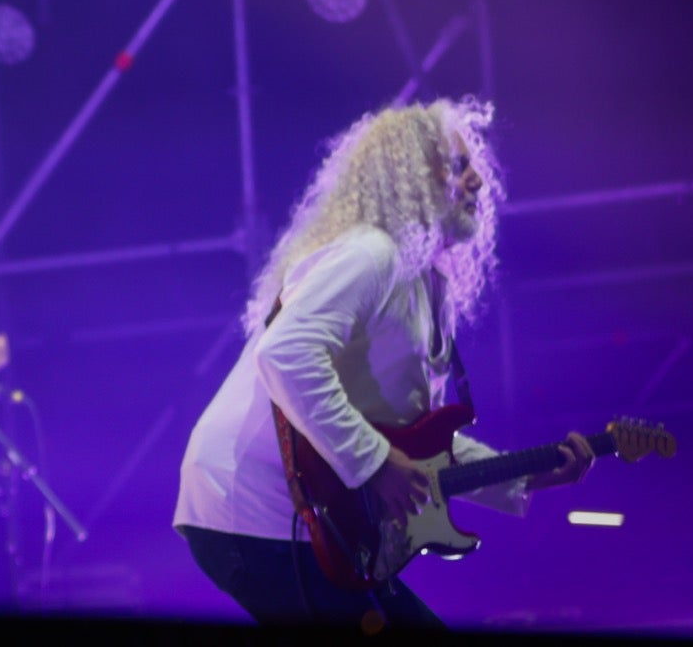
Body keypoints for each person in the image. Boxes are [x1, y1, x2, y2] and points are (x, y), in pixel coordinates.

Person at [173, 98, 595, 630]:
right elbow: (285, 353)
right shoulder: (373, 253)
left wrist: (527, 476)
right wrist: (373, 461)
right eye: (460, 166)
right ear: (414, 173)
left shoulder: (427, 285)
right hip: (249, 508)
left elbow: (418, 447)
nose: (479, 184)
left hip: (311, 516)